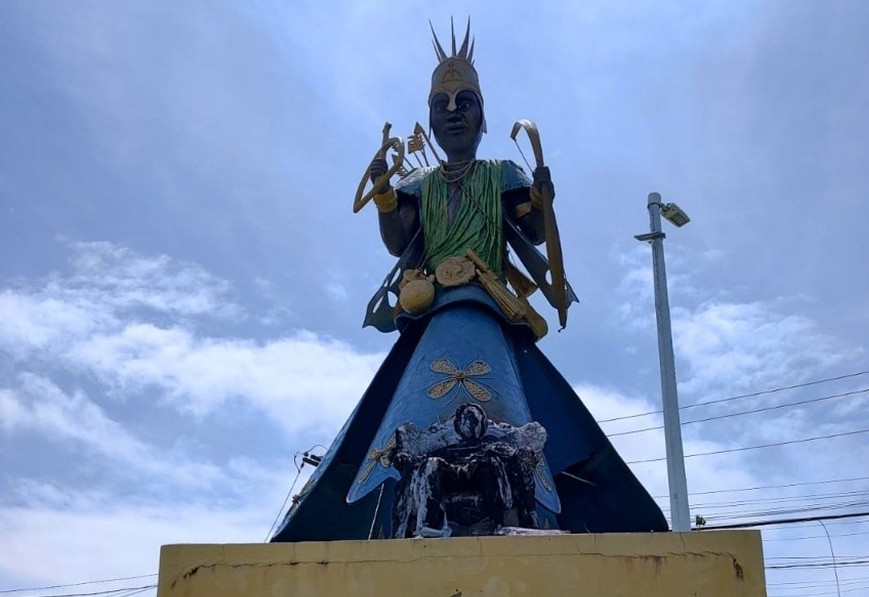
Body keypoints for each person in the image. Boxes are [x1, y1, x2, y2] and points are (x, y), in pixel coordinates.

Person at [272, 23, 668, 542]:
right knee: (402, 422)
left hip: (487, 306)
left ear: (483, 116)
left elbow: (531, 228)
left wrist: (541, 199)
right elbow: (398, 239)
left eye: (465, 102)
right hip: (434, 310)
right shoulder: (419, 182)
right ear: (431, 119)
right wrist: (385, 195)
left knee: (516, 414)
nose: (453, 111)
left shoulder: (502, 172)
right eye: (442, 104)